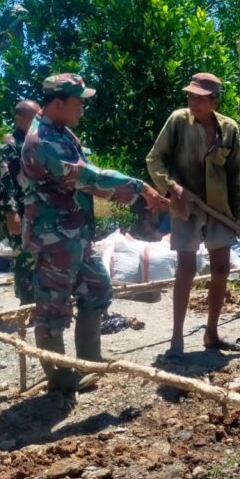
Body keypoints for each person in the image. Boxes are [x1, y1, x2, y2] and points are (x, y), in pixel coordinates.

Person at [22, 73, 164, 391]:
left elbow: (84, 182)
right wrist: (140, 188)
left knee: (98, 291)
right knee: (52, 312)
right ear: (57, 104)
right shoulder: (42, 141)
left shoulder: (60, 131)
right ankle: (61, 380)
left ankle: (89, 360)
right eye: (77, 104)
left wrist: (116, 193)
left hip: (76, 235)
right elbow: (88, 175)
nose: (81, 110)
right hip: (53, 239)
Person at [146, 72, 240, 362]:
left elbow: (235, 176)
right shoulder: (178, 121)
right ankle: (176, 340)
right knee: (186, 269)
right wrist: (171, 187)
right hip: (185, 206)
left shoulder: (229, 129)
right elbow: (154, 160)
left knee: (220, 268)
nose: (192, 102)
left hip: (219, 209)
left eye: (199, 98)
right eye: (190, 96)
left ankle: (211, 334)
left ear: (214, 101)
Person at [0, 99, 40, 304]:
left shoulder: (37, 140)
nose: (37, 121)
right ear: (18, 118)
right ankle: (26, 304)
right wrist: (11, 212)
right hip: (22, 210)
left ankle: (41, 304)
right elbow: (6, 182)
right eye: (33, 117)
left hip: (41, 209)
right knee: (24, 257)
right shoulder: (10, 144)